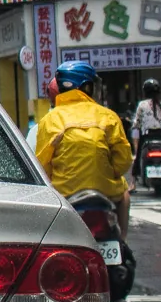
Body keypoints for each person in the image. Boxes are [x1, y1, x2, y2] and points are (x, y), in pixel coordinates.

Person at [34, 61, 134, 235]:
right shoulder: (108, 116)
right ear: (87, 87)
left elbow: (42, 165)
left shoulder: (49, 120)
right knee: (124, 194)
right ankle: (122, 244)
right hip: (105, 191)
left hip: (64, 194)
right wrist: (110, 172)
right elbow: (123, 161)